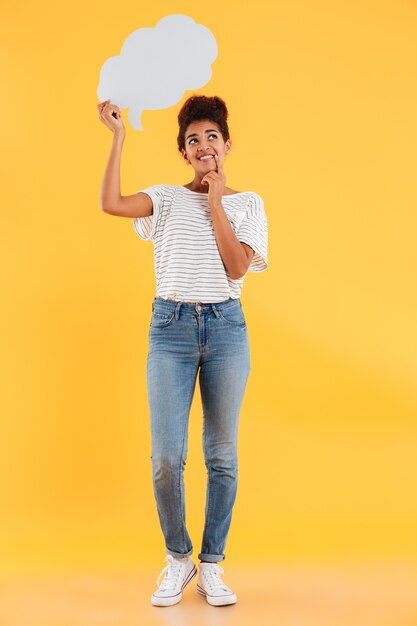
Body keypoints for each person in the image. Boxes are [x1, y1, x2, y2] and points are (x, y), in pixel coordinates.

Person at [97, 95, 268, 607]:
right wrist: (119, 136)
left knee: (222, 456)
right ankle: (178, 559)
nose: (203, 146)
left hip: (225, 331)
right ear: (184, 152)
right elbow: (111, 203)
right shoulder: (167, 198)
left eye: (211, 137)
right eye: (193, 140)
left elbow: (237, 268)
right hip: (169, 328)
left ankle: (212, 565)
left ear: (227, 145)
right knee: (167, 458)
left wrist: (215, 200)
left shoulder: (248, 203)